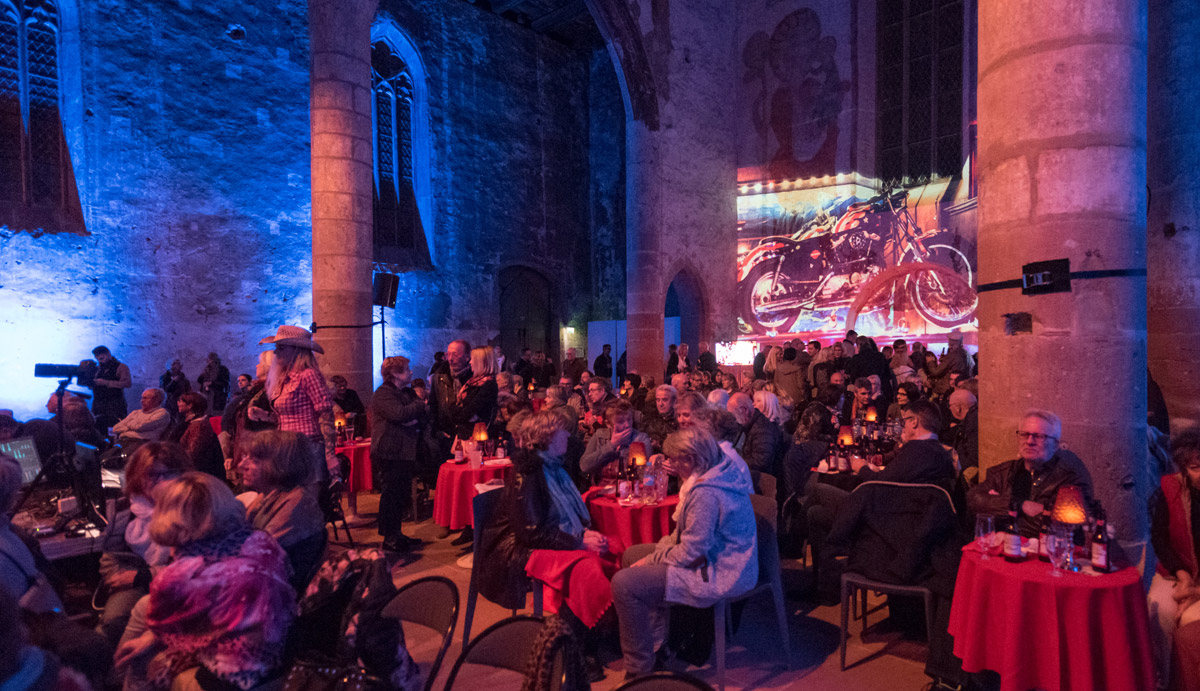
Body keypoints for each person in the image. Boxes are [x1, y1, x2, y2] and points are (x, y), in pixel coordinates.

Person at [114, 472, 294, 691]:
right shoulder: (263, 541)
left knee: (141, 660)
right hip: (280, 657)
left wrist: (150, 639)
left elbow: (166, 626)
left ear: (169, 518)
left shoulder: (181, 577)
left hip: (232, 678)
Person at [610, 428, 757, 680]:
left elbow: (692, 552)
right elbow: (686, 539)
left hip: (719, 571)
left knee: (624, 584)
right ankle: (654, 642)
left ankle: (639, 670)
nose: (671, 465)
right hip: (714, 558)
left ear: (690, 459)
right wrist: (654, 555)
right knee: (632, 555)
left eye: (674, 459)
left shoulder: (706, 492)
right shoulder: (719, 472)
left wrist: (652, 559)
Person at [477, 411, 608, 611]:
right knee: (587, 569)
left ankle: (586, 621)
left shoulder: (554, 466)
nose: (568, 435)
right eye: (563, 431)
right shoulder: (528, 473)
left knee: (610, 549)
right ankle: (578, 624)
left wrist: (583, 533)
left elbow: (563, 516)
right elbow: (531, 533)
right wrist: (577, 542)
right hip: (516, 549)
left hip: (544, 537)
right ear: (548, 437)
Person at [96, 443, 190, 646]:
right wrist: (117, 578)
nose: (156, 481)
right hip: (135, 581)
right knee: (113, 622)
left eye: (164, 474)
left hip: (180, 585)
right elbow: (110, 555)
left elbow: (195, 566)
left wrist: (143, 576)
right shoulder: (126, 507)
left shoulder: (192, 509)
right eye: (149, 475)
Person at [967, 410, 1094, 536]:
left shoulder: (1070, 480)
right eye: (1024, 434)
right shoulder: (1003, 472)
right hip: (1003, 546)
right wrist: (1021, 505)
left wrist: (999, 508)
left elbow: (1061, 528)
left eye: (1039, 436)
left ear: (1055, 445)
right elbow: (973, 500)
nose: (1029, 441)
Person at [238, 431, 326, 589]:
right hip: (263, 585)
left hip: (281, 594)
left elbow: (252, 555)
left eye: (254, 460)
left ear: (281, 465)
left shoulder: (298, 503)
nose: (241, 466)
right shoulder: (267, 496)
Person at [1149, 429, 1200, 689]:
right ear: (1184, 469)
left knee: (1188, 627)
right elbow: (1160, 538)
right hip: (1178, 571)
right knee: (1160, 608)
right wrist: (1182, 575)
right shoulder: (1170, 488)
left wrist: (1194, 592)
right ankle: (1167, 679)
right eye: (1195, 468)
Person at [260, 326, 337, 480]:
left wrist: (330, 455)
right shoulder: (283, 378)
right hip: (286, 448)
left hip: (307, 447)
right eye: (277, 347)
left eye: (281, 348)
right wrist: (264, 416)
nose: (275, 352)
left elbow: (326, 415)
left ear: (296, 350)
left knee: (307, 492)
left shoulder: (308, 375)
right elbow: (285, 417)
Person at [370, 356, 429, 552]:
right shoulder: (383, 394)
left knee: (401, 494)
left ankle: (398, 534)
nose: (411, 372)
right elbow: (400, 414)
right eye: (406, 369)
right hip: (390, 451)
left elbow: (420, 416)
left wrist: (412, 416)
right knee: (391, 495)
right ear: (395, 373)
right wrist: (418, 406)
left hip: (404, 451)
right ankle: (389, 538)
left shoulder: (405, 392)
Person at [849, 400, 955, 486]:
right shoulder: (944, 453)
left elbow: (881, 482)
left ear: (914, 422)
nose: (903, 427)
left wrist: (861, 468)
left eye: (904, 422)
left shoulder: (914, 450)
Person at [580, 399, 653, 484]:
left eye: (629, 419)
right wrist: (612, 445)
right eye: (621, 421)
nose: (627, 425)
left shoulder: (640, 439)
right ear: (608, 424)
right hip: (601, 487)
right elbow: (584, 466)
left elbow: (644, 475)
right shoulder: (599, 436)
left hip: (628, 488)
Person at [429, 339, 472, 459]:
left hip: (469, 434)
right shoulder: (440, 376)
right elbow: (433, 403)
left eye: (455, 354)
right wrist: (437, 430)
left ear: (467, 357)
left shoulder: (475, 377)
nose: (451, 359)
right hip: (446, 433)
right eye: (448, 354)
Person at [166, 392, 224, 480]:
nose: (178, 403)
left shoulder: (199, 425)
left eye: (181, 401)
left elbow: (193, 453)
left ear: (190, 405)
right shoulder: (189, 422)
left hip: (195, 474)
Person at [727, 392, 786, 477]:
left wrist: (735, 463)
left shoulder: (763, 429)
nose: (733, 419)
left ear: (744, 409)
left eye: (733, 414)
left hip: (762, 479)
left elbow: (761, 462)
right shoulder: (748, 424)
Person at [453, 346, 500, 441]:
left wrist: (457, 415)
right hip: (467, 431)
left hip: (475, 434)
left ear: (481, 362)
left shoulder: (488, 384)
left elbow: (471, 409)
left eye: (472, 359)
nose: (470, 362)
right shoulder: (473, 382)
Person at [90, 345, 132, 430]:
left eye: (101, 357)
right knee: (98, 427)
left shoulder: (121, 367)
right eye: (97, 357)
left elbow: (127, 383)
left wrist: (106, 383)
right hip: (98, 404)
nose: (99, 359)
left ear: (108, 354)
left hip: (115, 404)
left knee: (115, 428)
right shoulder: (98, 369)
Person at [926, 332, 972, 397]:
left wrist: (930, 362)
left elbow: (936, 372)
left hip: (947, 389)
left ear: (951, 342)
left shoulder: (952, 355)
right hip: (961, 387)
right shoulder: (967, 354)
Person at [945, 389, 979, 473]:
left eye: (950, 405)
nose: (949, 409)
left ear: (958, 408)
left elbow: (973, 457)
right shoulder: (975, 417)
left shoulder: (972, 423)